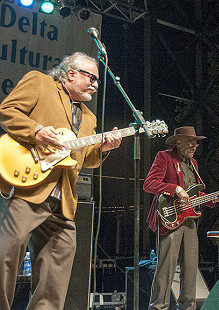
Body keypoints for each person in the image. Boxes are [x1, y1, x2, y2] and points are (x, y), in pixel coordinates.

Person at [0, 52, 122, 310]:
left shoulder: (89, 117)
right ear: (70, 74)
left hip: (63, 201)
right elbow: (8, 110)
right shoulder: (40, 83)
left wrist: (105, 147)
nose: (96, 84)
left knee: (56, 270)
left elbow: (86, 158)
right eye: (92, 77)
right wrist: (37, 131)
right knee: (6, 255)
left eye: (98, 81)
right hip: (27, 188)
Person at [143, 126, 219, 310]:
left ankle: (188, 308)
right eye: (190, 142)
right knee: (166, 269)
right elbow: (149, 184)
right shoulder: (164, 157)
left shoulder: (194, 164)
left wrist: (212, 199)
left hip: (189, 220)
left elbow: (194, 195)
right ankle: (158, 307)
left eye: (196, 143)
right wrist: (175, 189)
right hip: (170, 218)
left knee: (190, 270)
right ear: (178, 142)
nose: (194, 146)